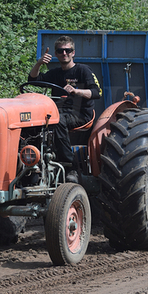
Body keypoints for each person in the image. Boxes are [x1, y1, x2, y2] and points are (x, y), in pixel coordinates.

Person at [28, 35, 102, 183]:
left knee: (58, 121)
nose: (64, 54)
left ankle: (71, 167)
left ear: (73, 52)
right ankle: (31, 163)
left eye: (68, 50)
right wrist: (39, 63)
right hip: (57, 112)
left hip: (79, 113)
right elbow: (33, 80)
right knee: (32, 121)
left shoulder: (83, 71)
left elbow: (96, 92)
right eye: (61, 51)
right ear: (56, 54)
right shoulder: (55, 73)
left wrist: (77, 91)